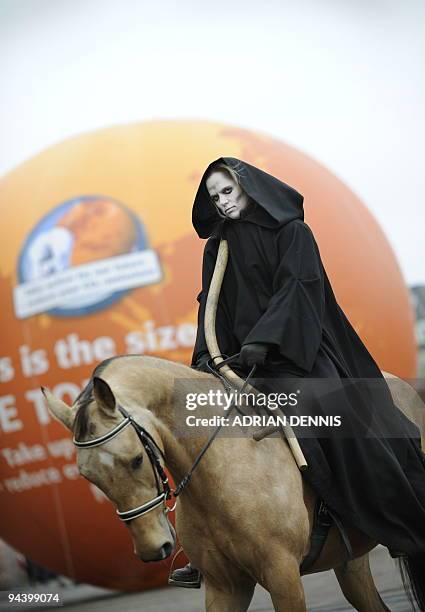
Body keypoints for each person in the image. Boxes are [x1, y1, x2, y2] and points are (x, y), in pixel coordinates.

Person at [170, 157, 425, 588]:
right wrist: (206, 358)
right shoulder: (218, 245)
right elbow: (212, 306)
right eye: (214, 197)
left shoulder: (293, 232)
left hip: (299, 352)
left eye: (227, 191)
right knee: (193, 422)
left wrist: (266, 341)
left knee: (339, 419)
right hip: (237, 361)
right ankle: (205, 547)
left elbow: (299, 289)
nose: (222, 202)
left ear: (248, 186)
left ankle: (394, 520)